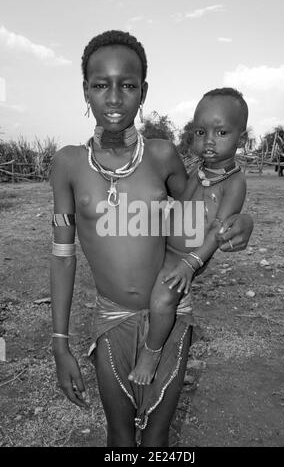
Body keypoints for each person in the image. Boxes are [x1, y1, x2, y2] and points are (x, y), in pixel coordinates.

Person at [50, 30, 254, 447]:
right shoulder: (68, 164)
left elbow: (196, 215)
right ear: (85, 90)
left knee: (158, 437)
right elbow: (63, 256)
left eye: (127, 85)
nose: (113, 98)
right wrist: (60, 344)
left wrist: (242, 221)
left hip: (173, 313)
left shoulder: (162, 156)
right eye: (100, 85)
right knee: (120, 437)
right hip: (111, 319)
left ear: (143, 91)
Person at [129, 88, 248, 385]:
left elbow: (218, 229)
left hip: (188, 255)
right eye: (200, 132)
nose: (208, 140)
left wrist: (191, 264)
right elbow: (182, 199)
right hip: (168, 243)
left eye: (221, 132)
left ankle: (152, 352)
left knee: (162, 297)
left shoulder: (233, 182)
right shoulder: (200, 169)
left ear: (241, 140)